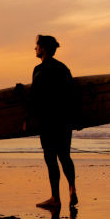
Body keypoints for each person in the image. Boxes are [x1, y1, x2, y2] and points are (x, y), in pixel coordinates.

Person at [24, 34, 78, 208]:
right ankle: (72, 188)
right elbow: (72, 96)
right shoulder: (64, 69)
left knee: (50, 158)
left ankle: (55, 197)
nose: (35, 49)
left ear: (44, 49)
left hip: (48, 120)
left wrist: (27, 119)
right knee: (65, 156)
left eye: (37, 46)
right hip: (65, 120)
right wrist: (76, 119)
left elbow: (34, 96)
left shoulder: (39, 69)